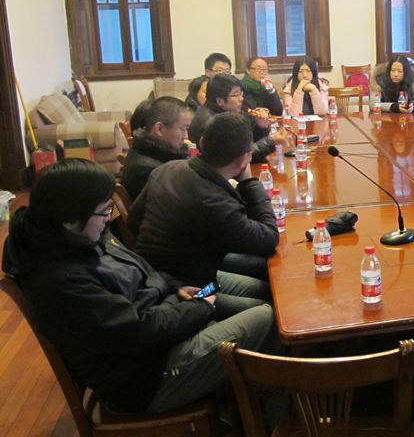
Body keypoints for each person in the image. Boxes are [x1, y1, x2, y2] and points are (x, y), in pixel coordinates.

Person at [1, 158, 281, 415]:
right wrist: (198, 309)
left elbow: (144, 272)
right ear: (68, 219)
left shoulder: (77, 237)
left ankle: (248, 409)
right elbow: (136, 331)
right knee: (267, 318)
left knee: (255, 302)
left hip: (166, 325)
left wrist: (177, 288)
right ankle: (275, 421)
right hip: (146, 376)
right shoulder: (60, 279)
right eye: (103, 211)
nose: (107, 217)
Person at [130, 113, 279, 319]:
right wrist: (248, 181)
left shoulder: (167, 169)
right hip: (186, 293)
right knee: (272, 311)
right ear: (243, 159)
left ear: (201, 143)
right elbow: (269, 237)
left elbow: (133, 220)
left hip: (156, 277)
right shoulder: (215, 203)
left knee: (268, 286)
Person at [188, 73, 286, 164]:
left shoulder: (223, 112)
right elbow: (237, 157)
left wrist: (261, 127)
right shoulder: (212, 124)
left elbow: (244, 143)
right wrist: (271, 142)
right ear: (220, 101)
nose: (241, 98)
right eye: (236, 94)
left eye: (240, 93)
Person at [120, 96, 192, 201]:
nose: (186, 137)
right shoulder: (146, 171)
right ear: (159, 129)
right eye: (183, 129)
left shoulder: (152, 152)